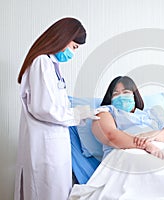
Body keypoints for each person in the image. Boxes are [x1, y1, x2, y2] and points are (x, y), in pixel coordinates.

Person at [68, 76, 164, 199]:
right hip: (125, 153)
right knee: (160, 174)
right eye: (115, 94)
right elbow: (110, 136)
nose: (121, 96)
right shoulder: (105, 112)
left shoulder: (152, 113)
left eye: (126, 92)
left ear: (134, 95)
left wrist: (154, 135)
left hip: (159, 148)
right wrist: (144, 144)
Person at [14, 17, 99, 200]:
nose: (72, 53)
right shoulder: (41, 62)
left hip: (54, 145)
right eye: (74, 47)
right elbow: (44, 108)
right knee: (44, 192)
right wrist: (79, 114)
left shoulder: (52, 65)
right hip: (44, 147)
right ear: (63, 38)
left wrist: (80, 114)